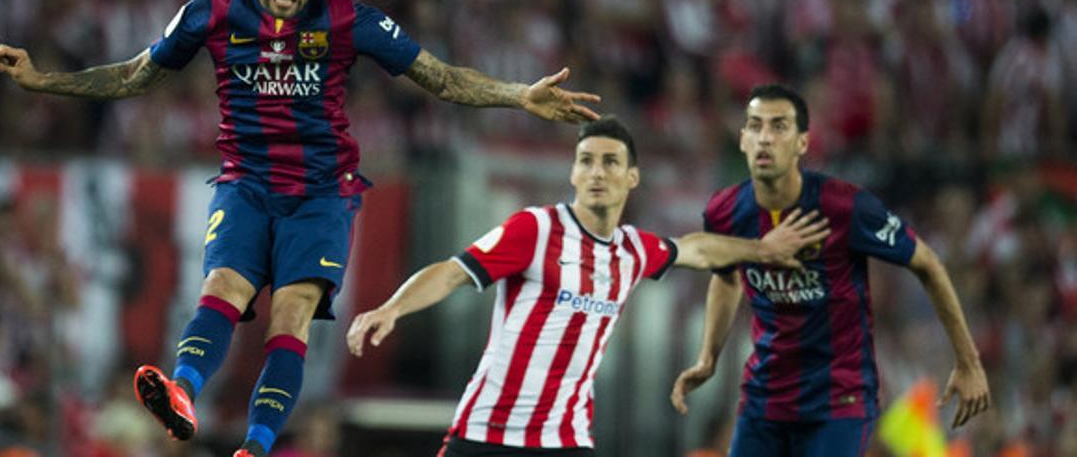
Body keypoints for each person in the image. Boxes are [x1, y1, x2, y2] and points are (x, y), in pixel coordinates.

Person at [0, 0, 602, 457]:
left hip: (322, 194)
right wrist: (45, 82)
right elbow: (134, 75)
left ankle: (255, 447)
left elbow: (441, 78)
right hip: (246, 183)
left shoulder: (348, 21)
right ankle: (182, 389)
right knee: (224, 284)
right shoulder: (213, 10)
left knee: (293, 309)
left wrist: (521, 95)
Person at [347, 116, 830, 456]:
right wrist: (393, 307)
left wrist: (763, 250)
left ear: (632, 177)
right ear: (574, 173)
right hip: (486, 433)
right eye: (587, 160)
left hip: (565, 439)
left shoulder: (635, 250)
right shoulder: (534, 230)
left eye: (610, 162)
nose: (597, 171)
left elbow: (698, 250)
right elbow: (453, 270)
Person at [669, 84, 991, 457]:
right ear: (742, 139)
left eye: (779, 127)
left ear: (803, 142)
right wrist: (708, 357)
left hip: (839, 399)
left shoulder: (844, 207)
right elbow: (726, 277)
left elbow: (928, 264)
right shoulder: (725, 211)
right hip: (766, 396)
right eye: (755, 126)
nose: (765, 138)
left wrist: (968, 362)